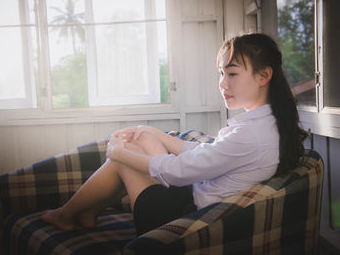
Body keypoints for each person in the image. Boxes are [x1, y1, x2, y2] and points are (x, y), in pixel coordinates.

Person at [41, 33, 308, 236]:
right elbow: (210, 155)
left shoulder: (252, 133)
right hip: (190, 201)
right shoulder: (264, 124)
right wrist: (151, 133)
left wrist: (118, 152)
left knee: (123, 158)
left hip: (180, 218)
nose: (223, 84)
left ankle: (67, 214)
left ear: (264, 76)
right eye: (221, 73)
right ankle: (88, 213)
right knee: (141, 140)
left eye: (233, 73)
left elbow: (180, 172)